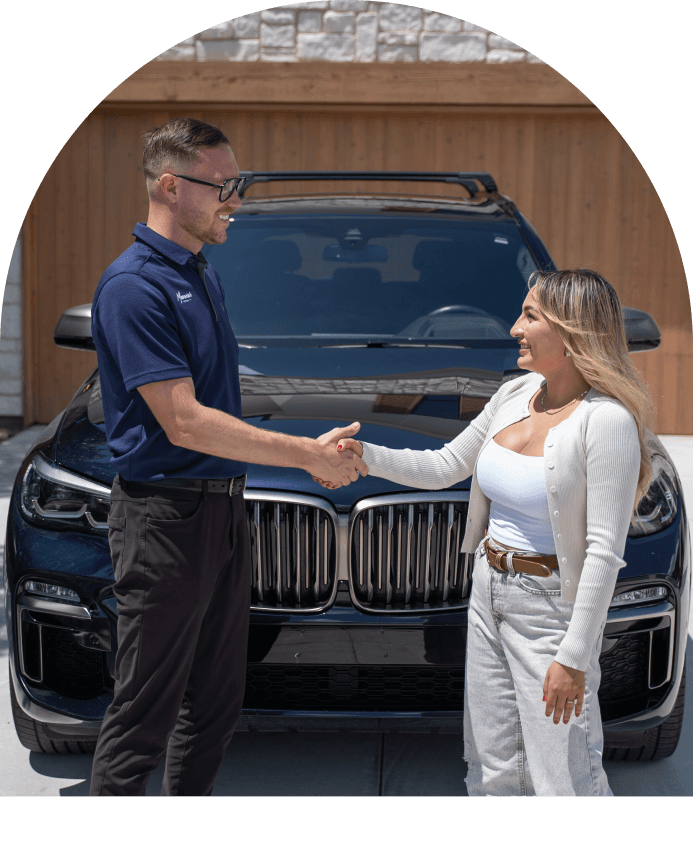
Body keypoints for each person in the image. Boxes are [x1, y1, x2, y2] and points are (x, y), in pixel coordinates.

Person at [89, 117, 367, 797]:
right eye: (223, 186)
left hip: (221, 512)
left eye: (238, 184)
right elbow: (183, 421)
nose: (235, 200)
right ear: (169, 186)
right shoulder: (134, 287)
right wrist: (306, 454)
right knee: (143, 716)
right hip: (163, 521)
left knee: (214, 706)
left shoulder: (198, 273)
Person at [317, 269, 652, 796]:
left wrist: (572, 656)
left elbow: (603, 553)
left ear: (570, 332)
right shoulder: (515, 394)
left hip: (551, 614)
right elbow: (445, 465)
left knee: (564, 780)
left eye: (530, 316)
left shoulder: (605, 421)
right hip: (488, 593)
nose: (515, 328)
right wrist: (365, 456)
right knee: (494, 770)